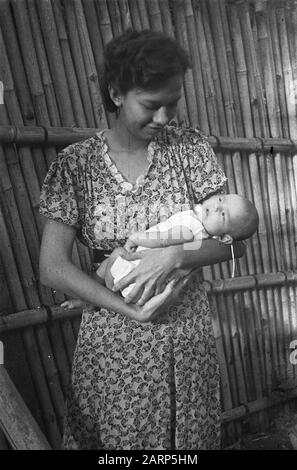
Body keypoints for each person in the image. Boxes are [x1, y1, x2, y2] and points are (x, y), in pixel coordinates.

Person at [39, 29, 246, 450]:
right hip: (116, 345)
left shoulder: (189, 150)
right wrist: (130, 312)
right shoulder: (76, 166)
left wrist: (174, 255)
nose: (165, 117)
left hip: (187, 340)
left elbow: (234, 241)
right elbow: (52, 267)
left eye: (174, 102)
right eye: (151, 105)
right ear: (116, 93)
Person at [108, 193, 259, 298]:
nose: (216, 207)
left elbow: (162, 240)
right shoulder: (202, 237)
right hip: (149, 284)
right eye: (220, 199)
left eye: (223, 214)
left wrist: (135, 238)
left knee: (117, 254)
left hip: (134, 275)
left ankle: (99, 287)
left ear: (225, 237)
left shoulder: (190, 231)